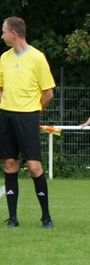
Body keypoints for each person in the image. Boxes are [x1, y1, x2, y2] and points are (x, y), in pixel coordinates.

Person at [0, 16, 56, 228]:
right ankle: (13, 218)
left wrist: (33, 111)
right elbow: (1, 87)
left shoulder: (37, 58)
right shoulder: (4, 58)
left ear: (14, 33)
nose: (2, 36)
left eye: (4, 31)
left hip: (28, 117)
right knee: (9, 163)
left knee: (33, 166)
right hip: (6, 116)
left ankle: (46, 216)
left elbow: (48, 93)